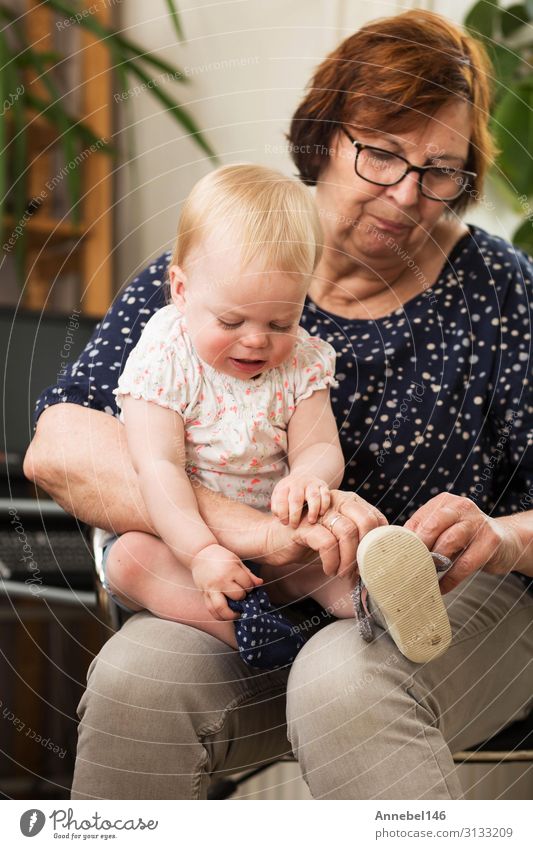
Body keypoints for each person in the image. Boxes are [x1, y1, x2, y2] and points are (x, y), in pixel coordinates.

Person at [25, 9, 533, 799]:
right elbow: (59, 444)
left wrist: (497, 536)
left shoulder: (497, 292)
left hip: (456, 598)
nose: (407, 194)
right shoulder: (220, 262)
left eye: (440, 170)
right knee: (135, 677)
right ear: (326, 136)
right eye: (381, 154)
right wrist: (259, 533)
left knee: (344, 677)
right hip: (251, 591)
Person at [103, 163, 348, 670]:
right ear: (181, 290)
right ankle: (250, 629)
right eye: (231, 321)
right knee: (130, 560)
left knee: (330, 554)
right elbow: (159, 468)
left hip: (272, 536)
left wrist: (308, 478)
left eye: (281, 321)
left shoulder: (301, 361)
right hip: (178, 536)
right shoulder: (166, 356)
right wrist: (200, 553)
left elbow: (320, 445)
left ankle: (377, 608)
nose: (257, 339)